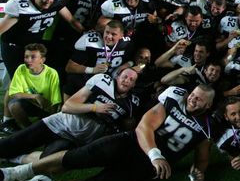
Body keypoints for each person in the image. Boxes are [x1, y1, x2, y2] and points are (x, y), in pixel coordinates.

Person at [0, 85, 216, 181]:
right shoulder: (174, 97)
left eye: (198, 100)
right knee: (76, 158)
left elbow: (202, 159)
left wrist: (199, 173)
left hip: (141, 169)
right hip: (130, 144)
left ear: (208, 105)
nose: (192, 100)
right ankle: (16, 172)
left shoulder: (206, 126)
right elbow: (144, 127)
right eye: (193, 95)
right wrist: (155, 154)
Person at [0, 68, 139, 162]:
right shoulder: (102, 82)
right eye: (125, 76)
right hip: (59, 123)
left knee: (46, 161)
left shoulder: (131, 104)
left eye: (131, 79)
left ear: (134, 85)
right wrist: (95, 107)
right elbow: (67, 106)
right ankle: (9, 153)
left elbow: (125, 127)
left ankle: (14, 159)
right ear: (117, 77)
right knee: (11, 143)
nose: (127, 80)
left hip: (76, 140)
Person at [0, 0, 83, 78]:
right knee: (17, 79)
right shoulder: (22, 7)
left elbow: (72, 21)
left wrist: (84, 32)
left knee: (32, 77)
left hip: (32, 46)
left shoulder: (56, 2)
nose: (48, 1)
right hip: (14, 45)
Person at [3, 44, 61, 131]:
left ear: (42, 60)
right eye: (26, 57)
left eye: (33, 57)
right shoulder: (21, 69)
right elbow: (13, 93)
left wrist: (51, 121)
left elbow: (55, 101)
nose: (28, 60)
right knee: (14, 105)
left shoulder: (52, 73)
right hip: (30, 105)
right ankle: (29, 130)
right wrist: (35, 96)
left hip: (46, 108)